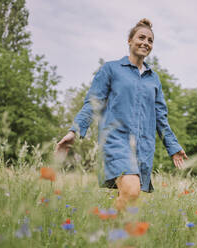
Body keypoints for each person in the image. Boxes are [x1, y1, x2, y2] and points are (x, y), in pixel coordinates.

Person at [56, 18, 187, 211]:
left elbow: (160, 117)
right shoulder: (111, 69)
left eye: (150, 40)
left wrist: (173, 146)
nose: (146, 43)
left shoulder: (154, 78)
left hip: (143, 145)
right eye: (141, 37)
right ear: (129, 40)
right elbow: (93, 102)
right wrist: (74, 131)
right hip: (116, 141)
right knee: (132, 190)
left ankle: (111, 234)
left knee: (128, 196)